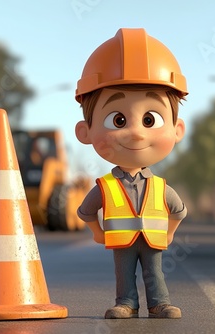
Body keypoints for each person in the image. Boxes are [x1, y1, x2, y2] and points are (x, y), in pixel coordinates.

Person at [74, 28, 188, 319]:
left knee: (154, 272)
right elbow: (85, 212)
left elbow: (179, 211)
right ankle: (126, 303)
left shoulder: (160, 186)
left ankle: (159, 303)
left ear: (177, 130)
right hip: (122, 241)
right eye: (118, 119)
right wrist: (98, 233)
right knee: (124, 275)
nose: (136, 133)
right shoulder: (105, 185)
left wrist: (170, 232)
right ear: (84, 132)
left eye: (151, 119)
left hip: (152, 240)